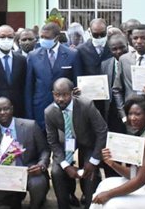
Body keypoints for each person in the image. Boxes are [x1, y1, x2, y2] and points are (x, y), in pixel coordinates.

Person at [91, 95, 145, 209]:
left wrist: (109, 194)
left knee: (112, 204)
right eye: (130, 114)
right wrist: (112, 164)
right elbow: (134, 175)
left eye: (137, 114)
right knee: (104, 184)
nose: (132, 118)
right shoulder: (142, 134)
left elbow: (141, 179)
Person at [46, 79, 108, 209]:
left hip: (87, 141)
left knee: (90, 172)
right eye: (57, 95)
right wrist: (65, 165)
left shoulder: (87, 105)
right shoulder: (49, 112)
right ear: (53, 94)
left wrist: (94, 160)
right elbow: (53, 141)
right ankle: (64, 204)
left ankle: (91, 204)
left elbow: (102, 131)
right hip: (67, 142)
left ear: (72, 93)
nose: (61, 99)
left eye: (65, 95)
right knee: (57, 171)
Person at [0, 97, 50, 209]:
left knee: (38, 184)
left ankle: (35, 205)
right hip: (7, 176)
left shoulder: (30, 126)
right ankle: (13, 201)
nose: (3, 113)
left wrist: (41, 165)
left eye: (6, 109)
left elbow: (44, 150)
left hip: (30, 171)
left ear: (12, 109)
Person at [26, 22, 82, 128]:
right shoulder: (33, 56)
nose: (42, 40)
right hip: (40, 108)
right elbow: (29, 87)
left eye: (47, 37)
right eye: (41, 37)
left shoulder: (72, 54)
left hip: (65, 108)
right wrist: (29, 114)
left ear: (56, 38)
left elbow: (77, 84)